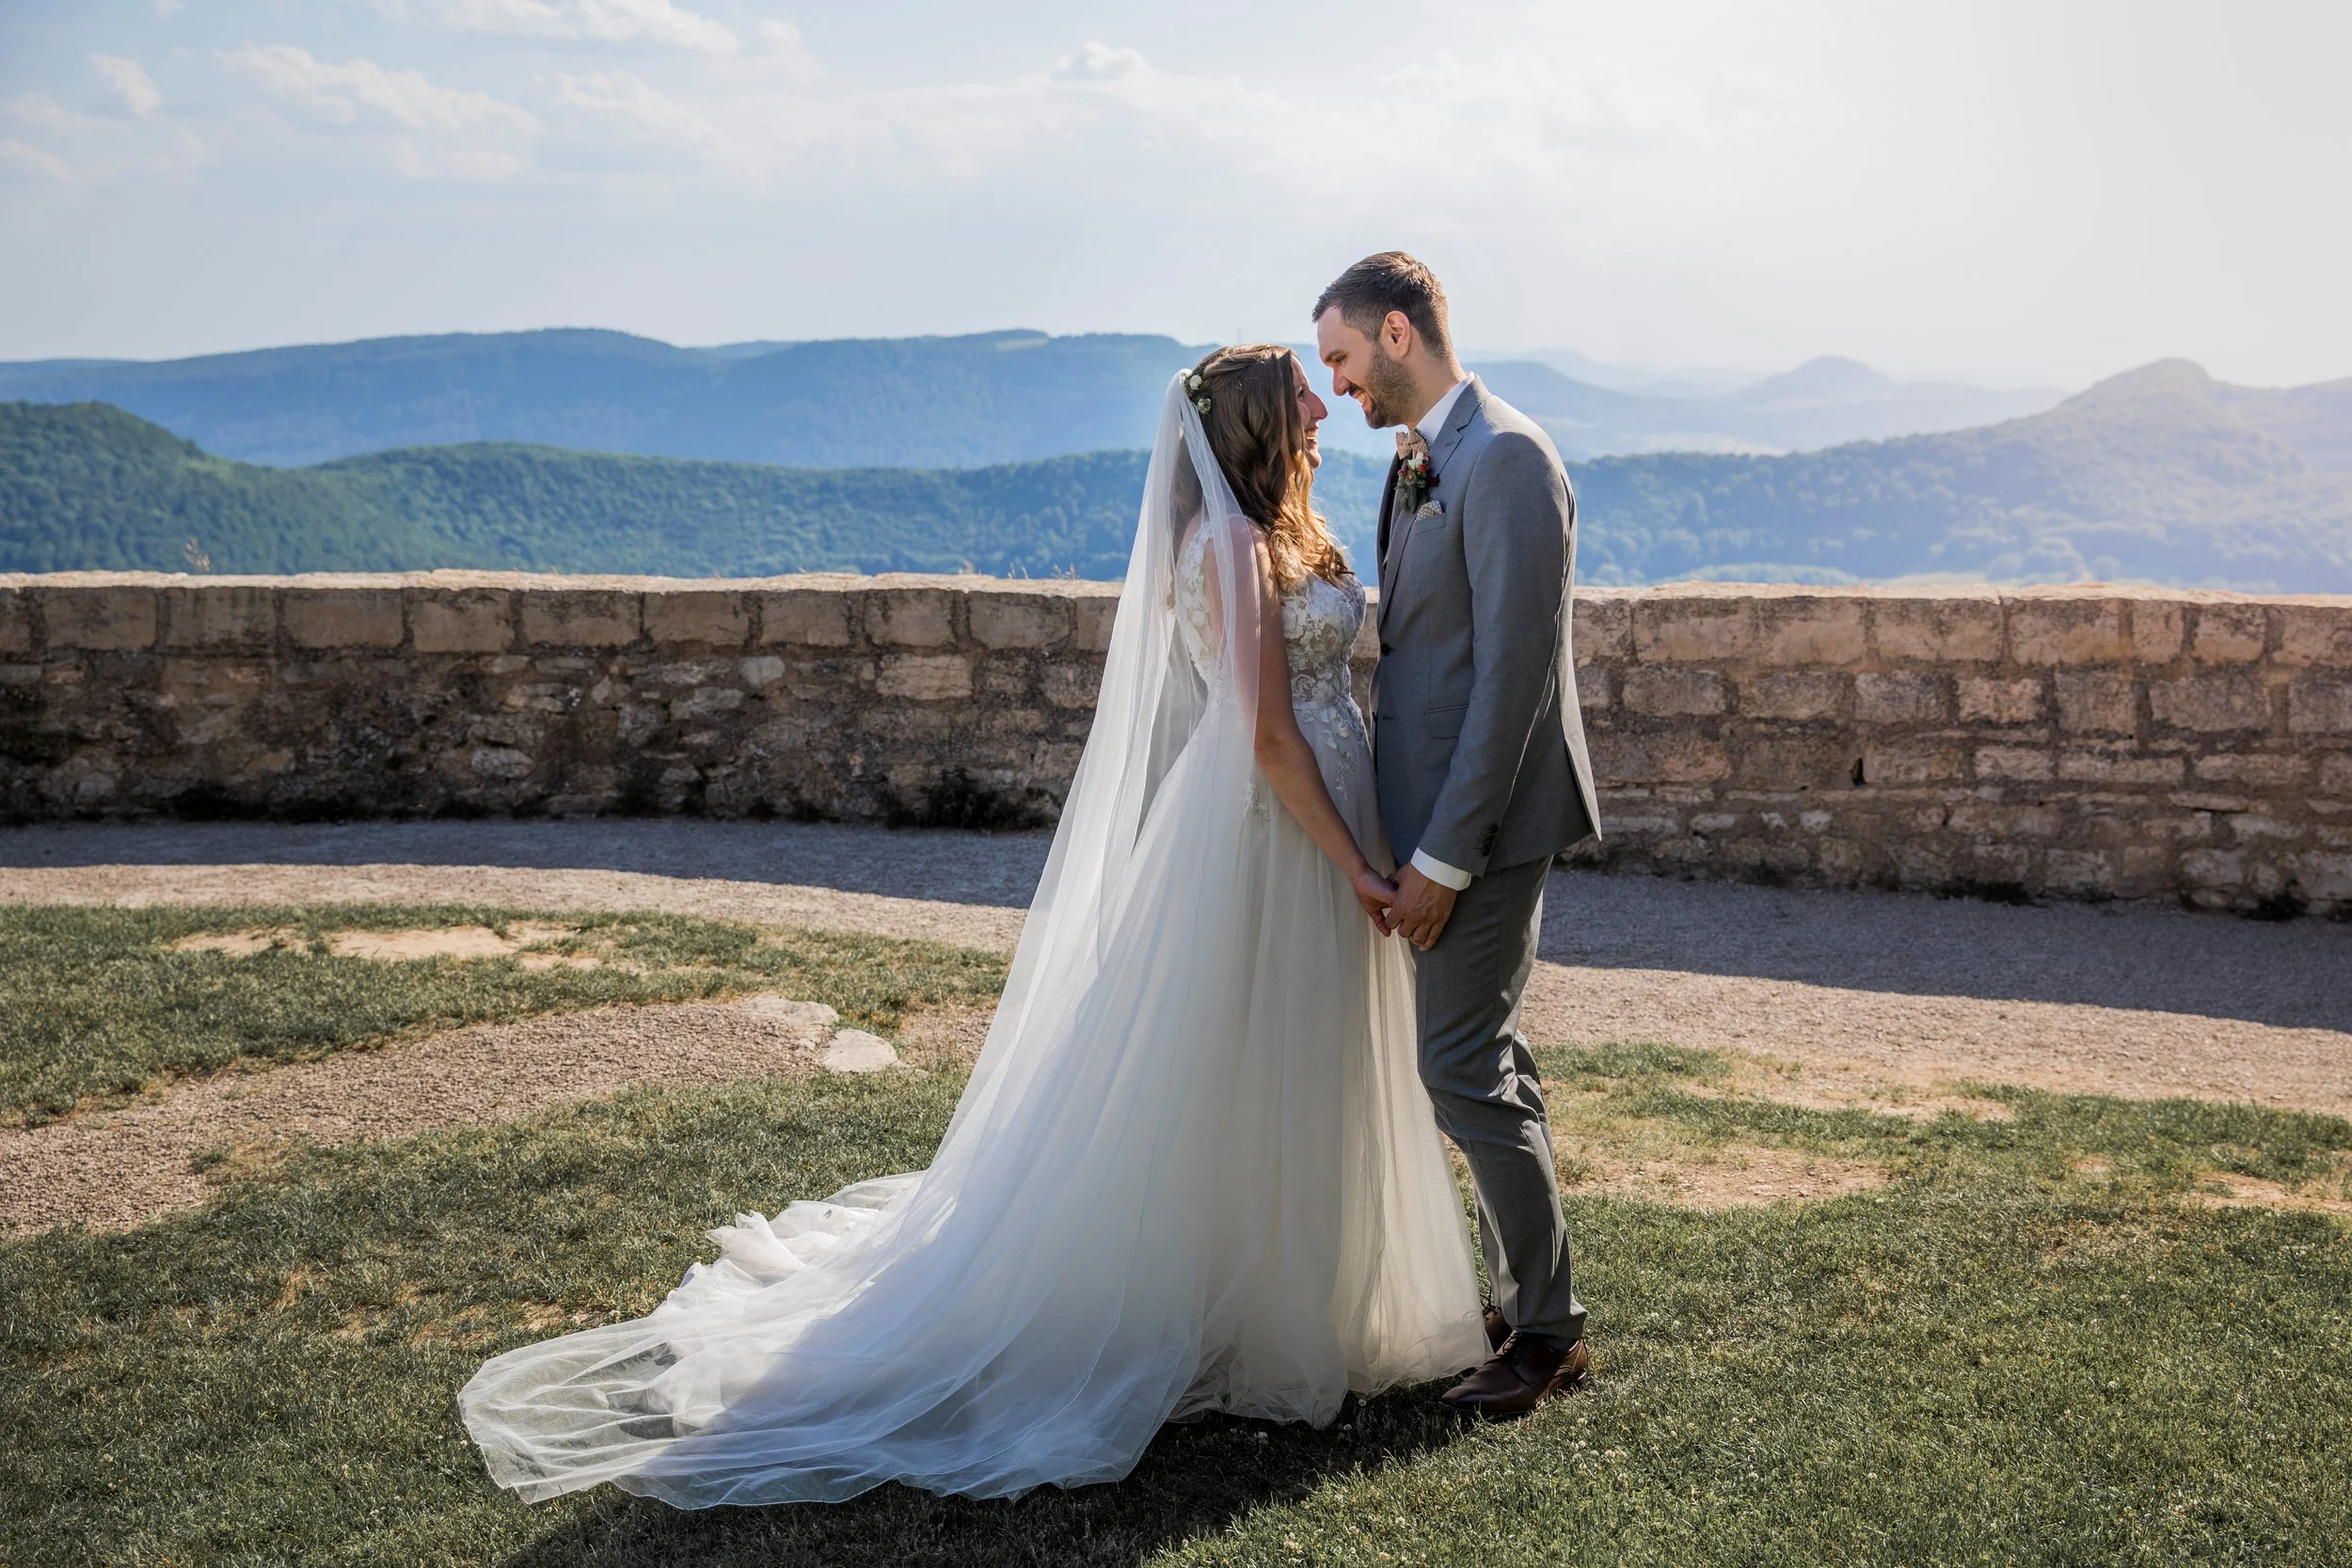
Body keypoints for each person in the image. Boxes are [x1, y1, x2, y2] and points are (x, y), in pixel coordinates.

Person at [459, 341, 1488, 1509]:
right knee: (1241, 1053)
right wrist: (1354, 857)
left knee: (1301, 1058)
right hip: (1269, 825)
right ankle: (1235, 1303)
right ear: (1255, 421)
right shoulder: (1232, 548)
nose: (1320, 402)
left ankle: (1308, 1289)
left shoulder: (1274, 530)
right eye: (1301, 392)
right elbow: (1260, 731)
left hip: (1312, 803)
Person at [1314, 251, 1603, 1418]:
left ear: (1395, 334)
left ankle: (1548, 1329)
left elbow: (1513, 682)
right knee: (1485, 1055)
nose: (1333, 384)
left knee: (1456, 1064)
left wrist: (1441, 855)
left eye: (1338, 356)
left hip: (1480, 825)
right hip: (1434, 817)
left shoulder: (1513, 459)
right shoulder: (1424, 458)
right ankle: (1522, 1294)